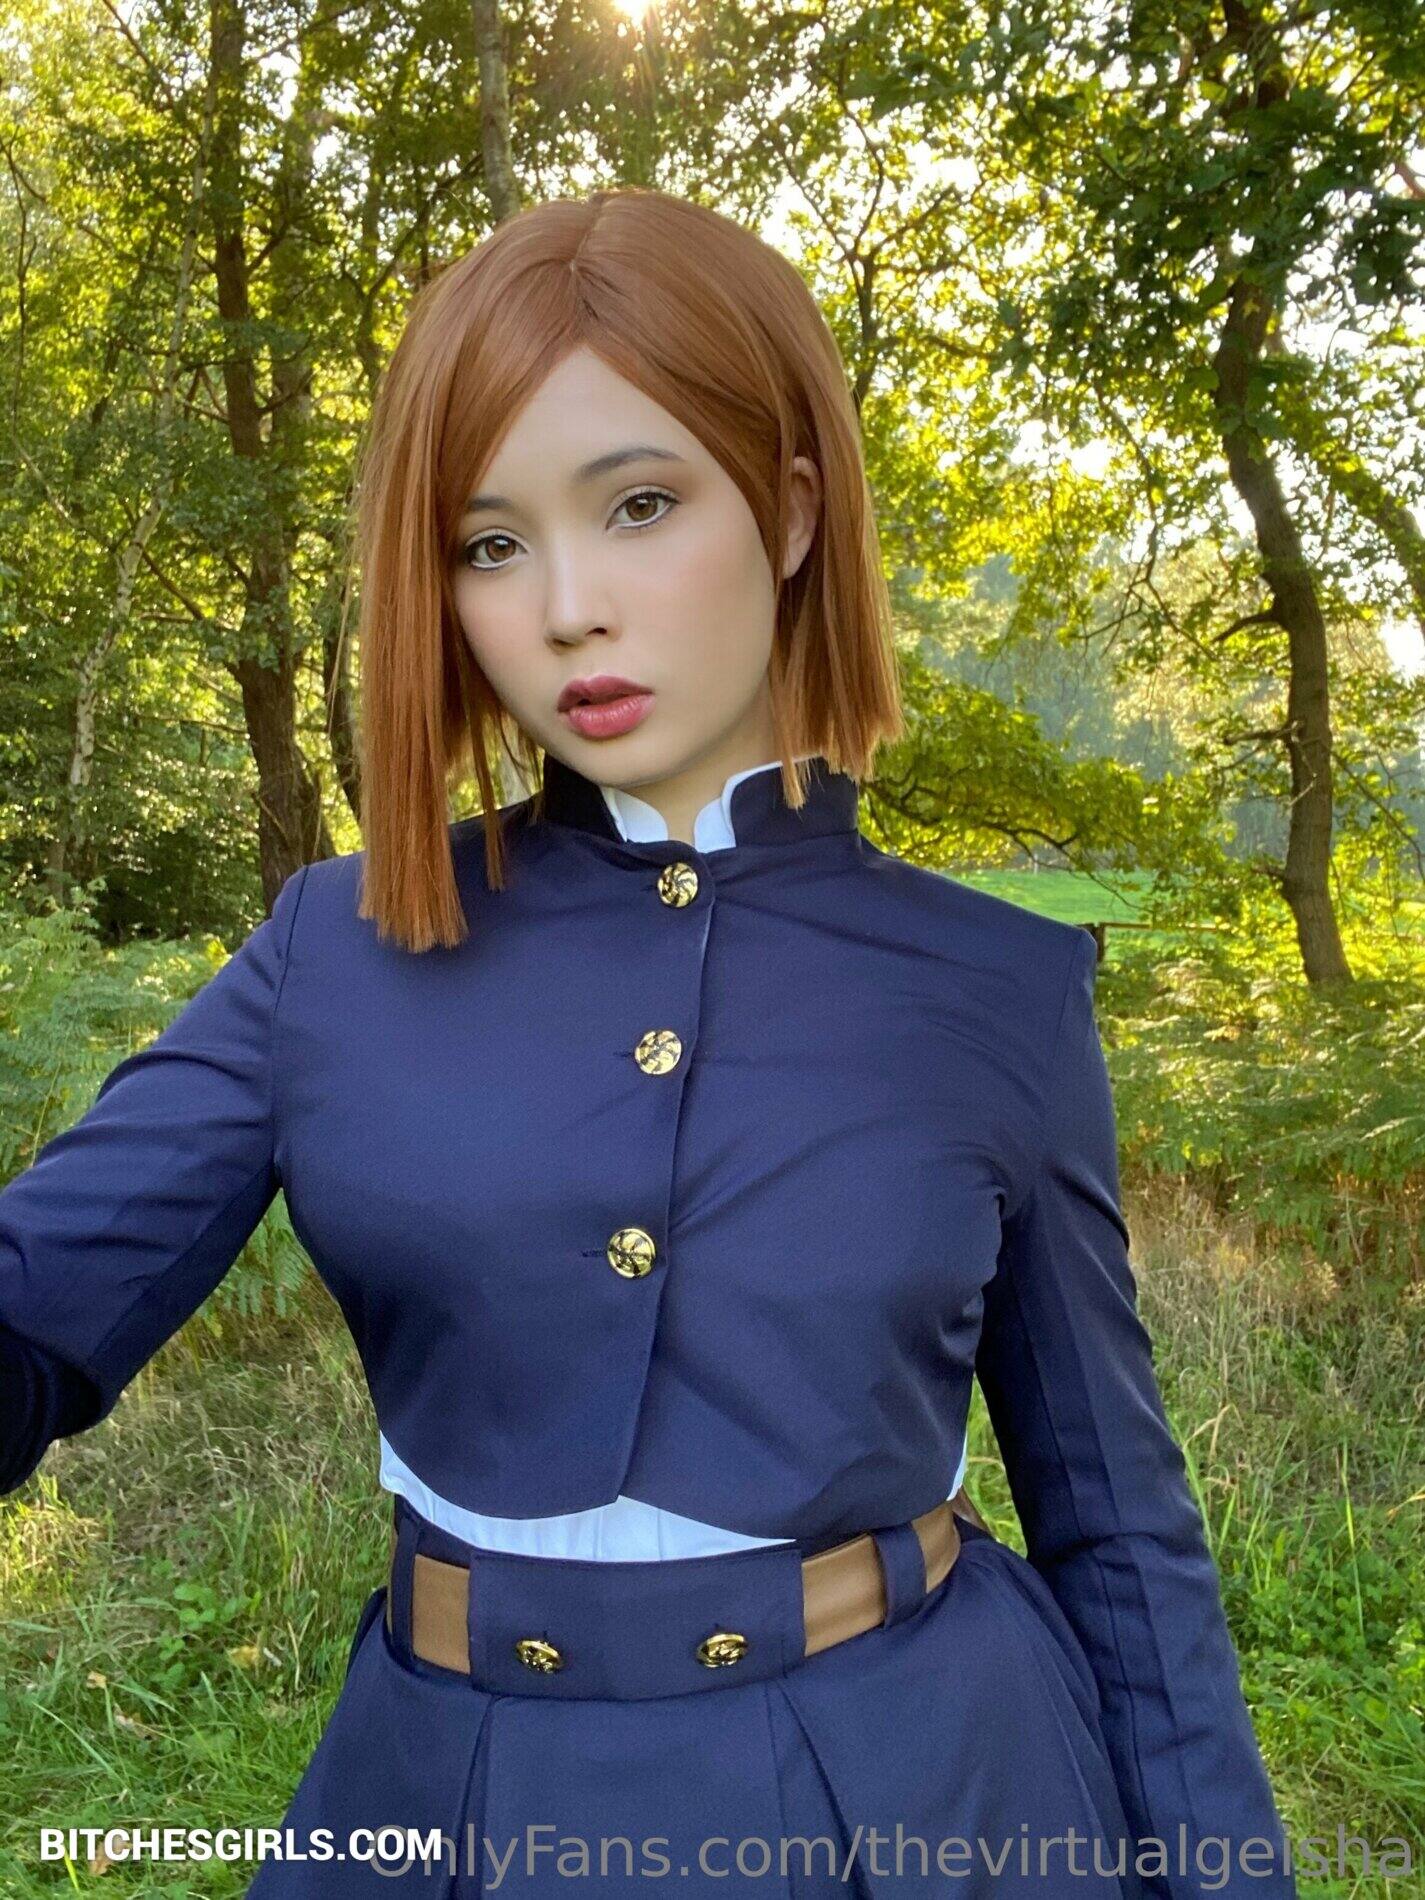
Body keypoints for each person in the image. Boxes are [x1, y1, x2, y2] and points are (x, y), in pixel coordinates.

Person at [0, 187, 1294, 1899]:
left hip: (932, 1794)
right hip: (450, 1800)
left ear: (790, 508)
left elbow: (1114, 1517)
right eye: (489, 543)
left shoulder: (996, 985)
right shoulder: (337, 949)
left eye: (638, 504)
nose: (566, 610)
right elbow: (32, 1306)